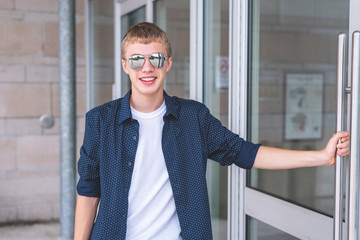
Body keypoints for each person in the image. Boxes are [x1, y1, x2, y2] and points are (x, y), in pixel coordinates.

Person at [74, 22, 350, 240]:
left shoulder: (193, 117)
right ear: (125, 66)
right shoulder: (101, 120)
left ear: (168, 64)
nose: (147, 67)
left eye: (156, 59)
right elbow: (88, 190)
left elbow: (246, 153)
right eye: (136, 60)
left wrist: (320, 156)